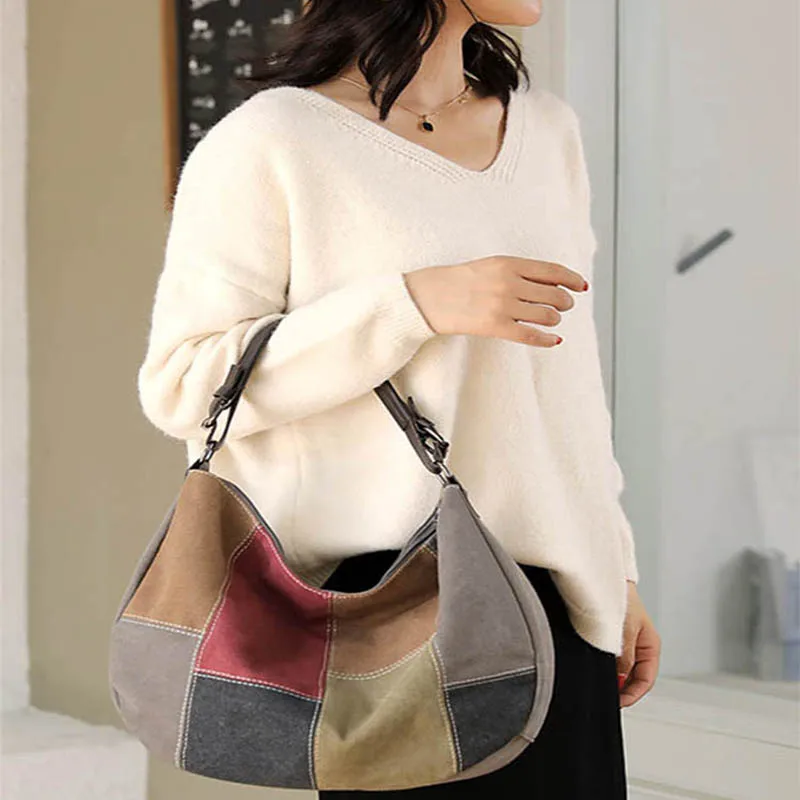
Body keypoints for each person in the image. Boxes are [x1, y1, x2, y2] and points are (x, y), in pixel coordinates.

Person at [137, 0, 661, 797]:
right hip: (385, 611)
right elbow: (184, 382)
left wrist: (613, 566)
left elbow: (570, 388)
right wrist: (410, 305)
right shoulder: (274, 139)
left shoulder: (548, 131)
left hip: (556, 600)